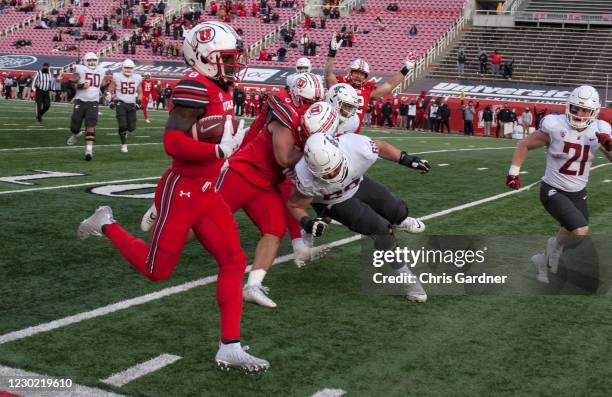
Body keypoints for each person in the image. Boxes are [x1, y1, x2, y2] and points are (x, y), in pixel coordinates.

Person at [77, 21, 269, 373]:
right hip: (183, 188)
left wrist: (236, 143)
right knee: (156, 270)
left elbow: (219, 138)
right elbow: (172, 143)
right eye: (227, 57)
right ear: (204, 56)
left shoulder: (220, 86)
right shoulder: (194, 86)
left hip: (208, 190)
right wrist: (217, 153)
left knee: (233, 260)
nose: (233, 63)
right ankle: (106, 223)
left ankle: (230, 345)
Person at [287, 120, 430, 302]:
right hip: (335, 200)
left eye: (335, 168)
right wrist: (306, 221)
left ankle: (324, 218)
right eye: (326, 174)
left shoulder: (353, 146)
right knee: (382, 232)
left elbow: (380, 146)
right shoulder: (305, 176)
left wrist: (406, 159)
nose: (332, 175)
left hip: (358, 183)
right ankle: (409, 282)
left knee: (398, 211)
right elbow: (294, 205)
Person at [505, 85, 611, 284]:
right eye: (575, 108)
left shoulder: (600, 129)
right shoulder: (556, 125)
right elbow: (525, 143)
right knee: (580, 230)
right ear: (568, 106)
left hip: (578, 191)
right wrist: (513, 172)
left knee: (575, 235)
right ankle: (552, 248)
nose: (579, 114)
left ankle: (543, 258)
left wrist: (608, 145)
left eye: (585, 110)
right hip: (553, 188)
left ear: (594, 111)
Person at [325, 33, 416, 133]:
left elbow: (390, 85)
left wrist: (405, 69)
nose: (359, 76)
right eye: (356, 73)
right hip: (332, 130)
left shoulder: (367, 90)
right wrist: (332, 52)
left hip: (352, 136)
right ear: (350, 72)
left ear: (366, 77)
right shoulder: (341, 84)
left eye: (362, 74)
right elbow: (328, 74)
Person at [66, 52, 108, 161]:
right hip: (80, 101)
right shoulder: (80, 69)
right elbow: (70, 83)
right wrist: (81, 86)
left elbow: (103, 85)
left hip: (93, 102)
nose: (92, 62)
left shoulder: (101, 71)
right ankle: (76, 133)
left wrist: (107, 92)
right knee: (74, 125)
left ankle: (89, 151)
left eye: (93, 60)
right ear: (85, 61)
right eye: (89, 60)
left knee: (91, 125)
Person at [108, 59, 142, 153]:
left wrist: (139, 101)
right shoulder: (117, 76)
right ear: (122, 67)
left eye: (130, 68)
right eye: (126, 67)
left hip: (131, 104)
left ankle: (125, 132)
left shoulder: (137, 77)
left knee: (131, 128)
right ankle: (124, 144)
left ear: (133, 68)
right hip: (120, 102)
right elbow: (110, 89)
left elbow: (140, 92)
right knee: (122, 125)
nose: (128, 69)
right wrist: (112, 99)